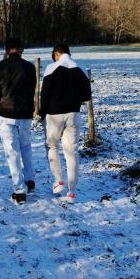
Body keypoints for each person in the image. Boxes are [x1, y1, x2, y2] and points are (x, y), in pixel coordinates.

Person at [39, 44, 92, 202]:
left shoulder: (51, 68)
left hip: (54, 115)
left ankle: (58, 181)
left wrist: (42, 114)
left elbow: (45, 95)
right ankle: (71, 192)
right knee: (72, 152)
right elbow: (86, 95)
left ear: (56, 54)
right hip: (73, 114)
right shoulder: (80, 68)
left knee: (52, 146)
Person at [0, 37, 36, 204]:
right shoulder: (30, 67)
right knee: (26, 146)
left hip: (6, 113)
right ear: (21, 49)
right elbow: (32, 90)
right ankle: (30, 179)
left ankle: (19, 188)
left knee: (12, 151)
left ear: (6, 49)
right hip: (25, 113)